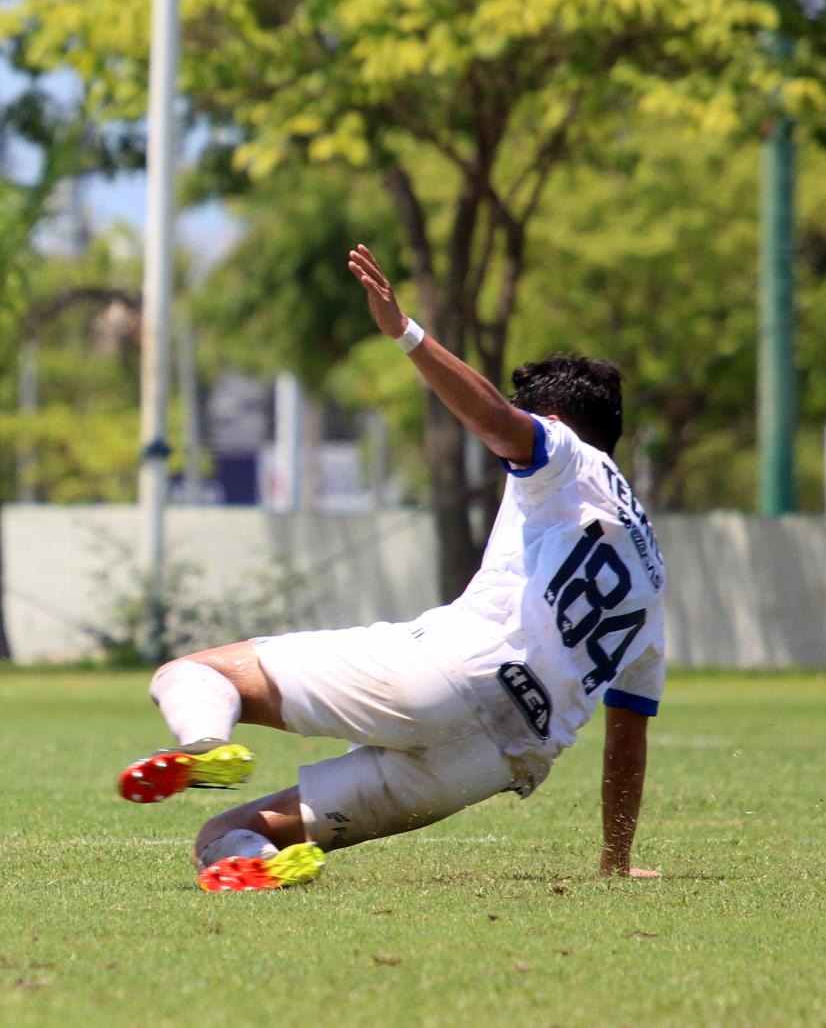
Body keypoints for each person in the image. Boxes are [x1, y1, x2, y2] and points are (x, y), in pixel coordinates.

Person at [117, 244, 667, 891]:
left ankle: (207, 743)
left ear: (551, 420)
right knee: (225, 835)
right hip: (493, 759)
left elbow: (493, 419)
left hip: (443, 675)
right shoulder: (652, 571)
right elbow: (627, 736)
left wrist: (405, 332)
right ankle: (258, 861)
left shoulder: (565, 455)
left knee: (193, 673)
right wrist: (615, 857)